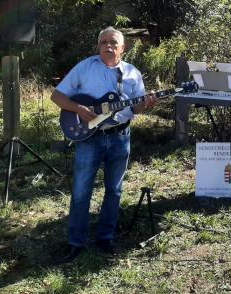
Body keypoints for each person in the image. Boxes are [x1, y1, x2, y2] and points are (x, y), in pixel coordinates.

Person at [51, 26, 157, 262]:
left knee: (114, 190)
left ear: (123, 48)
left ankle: (105, 238)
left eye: (113, 43)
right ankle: (75, 242)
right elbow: (56, 96)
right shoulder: (84, 67)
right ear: (98, 46)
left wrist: (147, 103)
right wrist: (78, 108)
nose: (108, 46)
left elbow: (136, 108)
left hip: (120, 137)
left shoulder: (132, 74)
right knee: (80, 192)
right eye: (103, 42)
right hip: (89, 139)